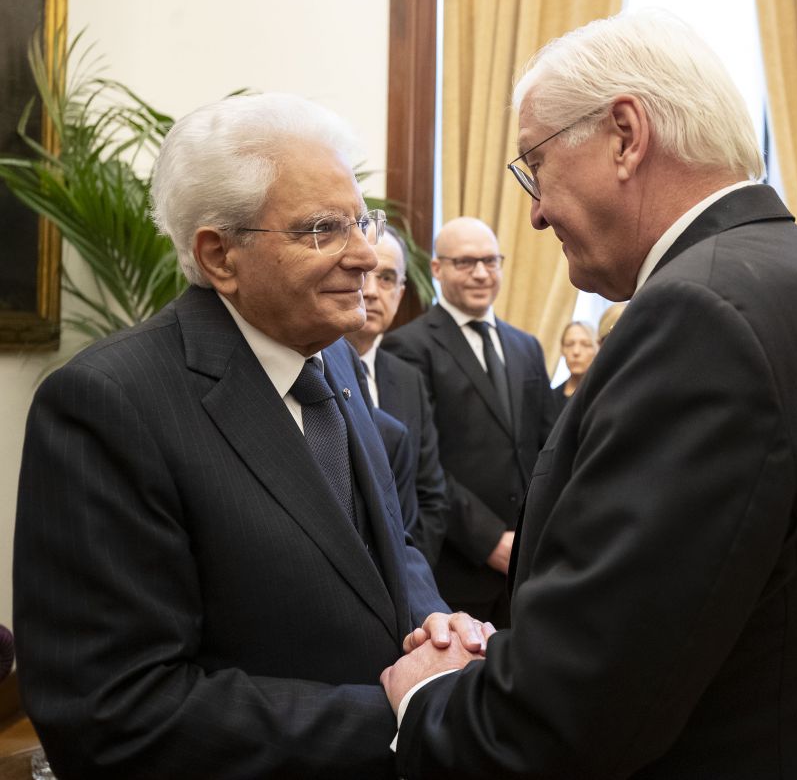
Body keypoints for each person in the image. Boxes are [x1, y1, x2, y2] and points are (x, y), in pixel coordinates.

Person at [380, 11, 797, 779]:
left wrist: (432, 696)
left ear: (626, 136)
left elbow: (569, 721)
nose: (533, 210)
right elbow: (695, 613)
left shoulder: (700, 317)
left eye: (535, 165)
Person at [13, 93, 489, 780]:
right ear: (220, 256)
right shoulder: (108, 404)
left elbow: (387, 547)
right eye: (324, 229)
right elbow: (114, 710)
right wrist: (399, 713)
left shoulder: (334, 365)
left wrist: (438, 628)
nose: (367, 254)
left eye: (362, 221)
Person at [381, 216, 558, 627]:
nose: (481, 273)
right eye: (465, 263)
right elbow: (425, 463)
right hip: (459, 567)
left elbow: (549, 444)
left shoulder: (526, 346)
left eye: (490, 261)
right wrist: (490, 540)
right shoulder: (408, 347)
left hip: (530, 564)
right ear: (438, 269)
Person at [346, 227, 448, 566]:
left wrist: (408, 586)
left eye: (387, 278)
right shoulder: (307, 369)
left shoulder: (408, 380)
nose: (372, 292)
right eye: (363, 273)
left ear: (401, 293)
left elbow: (430, 497)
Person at [551, 320, 599, 413]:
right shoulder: (551, 399)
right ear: (562, 350)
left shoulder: (602, 395)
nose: (576, 352)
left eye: (586, 344)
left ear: (597, 349)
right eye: (569, 344)